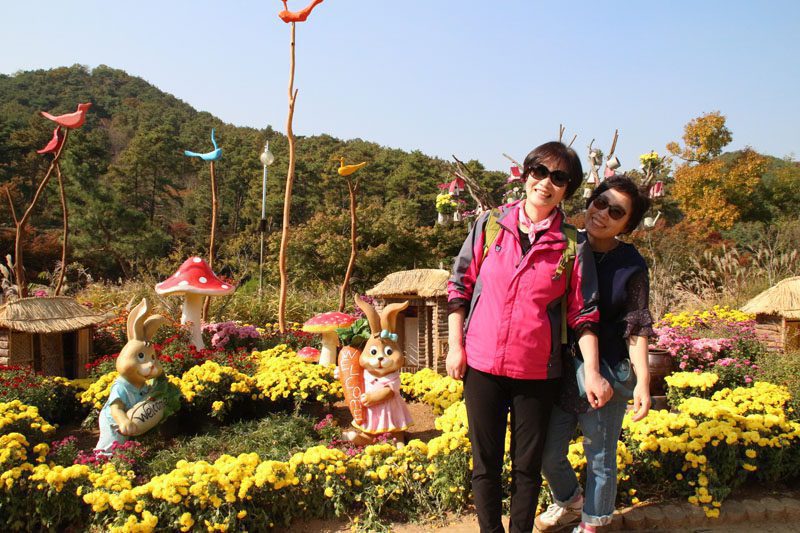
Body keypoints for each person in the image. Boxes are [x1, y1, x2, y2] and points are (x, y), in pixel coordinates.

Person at [446, 141, 603, 533]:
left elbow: (583, 314)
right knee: (485, 464)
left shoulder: (573, 244)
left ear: (567, 189)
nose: (546, 183)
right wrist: (455, 346)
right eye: (540, 172)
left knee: (526, 467)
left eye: (559, 178)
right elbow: (459, 286)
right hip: (481, 363)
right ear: (527, 174)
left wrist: (593, 371)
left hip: (536, 370)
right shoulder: (490, 224)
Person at [535, 175, 654, 533]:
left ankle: (593, 523)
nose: (602, 213)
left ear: (627, 225)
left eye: (616, 212)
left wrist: (643, 382)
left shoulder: (631, 264)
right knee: (546, 451)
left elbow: (637, 326)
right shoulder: (566, 244)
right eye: (600, 202)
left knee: (600, 457)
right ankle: (570, 500)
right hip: (561, 368)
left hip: (607, 372)